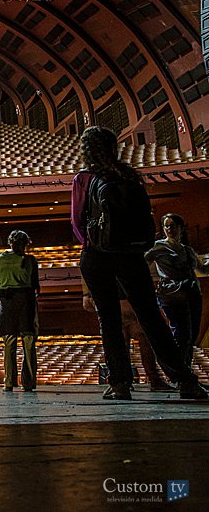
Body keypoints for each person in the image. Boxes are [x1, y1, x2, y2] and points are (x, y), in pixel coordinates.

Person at [71, 126, 206, 400]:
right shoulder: (129, 176)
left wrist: (94, 243)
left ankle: (120, 384)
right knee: (152, 318)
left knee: (108, 321)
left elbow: (77, 223)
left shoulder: (84, 178)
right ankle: (185, 381)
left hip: (97, 256)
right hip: (131, 256)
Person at [145, 213, 209, 368]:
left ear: (181, 228)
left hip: (192, 293)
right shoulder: (158, 247)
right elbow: (141, 265)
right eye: (166, 226)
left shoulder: (187, 250)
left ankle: (186, 368)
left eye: (172, 226)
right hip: (172, 295)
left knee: (192, 335)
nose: (169, 229)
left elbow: (202, 269)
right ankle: (180, 372)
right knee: (181, 334)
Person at [82, 285, 173, 391]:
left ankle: (128, 381)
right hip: (121, 297)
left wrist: (87, 294)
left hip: (118, 298)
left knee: (128, 341)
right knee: (135, 339)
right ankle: (151, 379)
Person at [0, 230, 39, 392]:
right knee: (29, 343)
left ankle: (9, 382)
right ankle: (29, 383)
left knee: (9, 344)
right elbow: (35, 286)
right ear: (25, 244)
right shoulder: (31, 260)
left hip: (7, 302)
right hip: (26, 302)